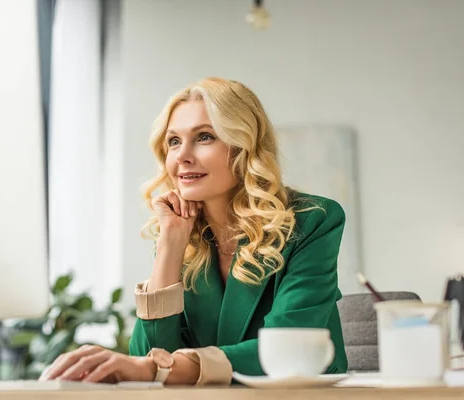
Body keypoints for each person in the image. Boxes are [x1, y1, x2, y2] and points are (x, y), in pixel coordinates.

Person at [39, 77, 348, 385]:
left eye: (204, 137)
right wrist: (170, 246)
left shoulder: (312, 220)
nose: (183, 155)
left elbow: (288, 351)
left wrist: (156, 368)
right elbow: (152, 358)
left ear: (244, 146)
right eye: (174, 141)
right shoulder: (184, 239)